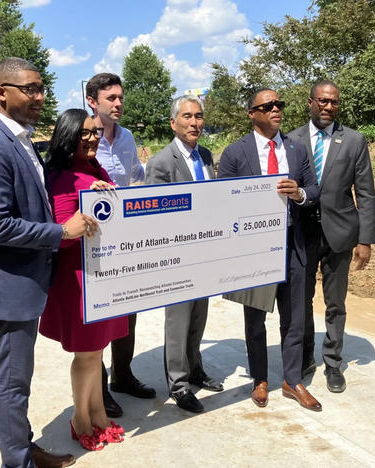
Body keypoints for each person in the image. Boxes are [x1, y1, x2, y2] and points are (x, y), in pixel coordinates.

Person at [0, 57, 97, 468]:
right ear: (2, 92)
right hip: (7, 284)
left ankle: (24, 448)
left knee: (20, 378)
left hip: (23, 278)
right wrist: (61, 233)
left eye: (41, 89)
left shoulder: (20, 140)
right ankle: (17, 462)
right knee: (13, 382)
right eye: (29, 89)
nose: (39, 97)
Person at [217, 88, 322, 412]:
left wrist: (300, 193)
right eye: (268, 106)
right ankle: (260, 379)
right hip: (255, 249)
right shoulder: (235, 153)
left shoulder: (296, 149)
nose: (276, 109)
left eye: (279, 104)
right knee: (255, 318)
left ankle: (292, 380)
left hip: (292, 245)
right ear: (252, 113)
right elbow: (222, 199)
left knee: (294, 317)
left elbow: (315, 189)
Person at [39, 108, 128, 451]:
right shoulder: (61, 177)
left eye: (95, 131)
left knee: (97, 351)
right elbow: (61, 233)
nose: (92, 138)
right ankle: (80, 419)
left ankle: (98, 415)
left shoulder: (97, 169)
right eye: (85, 133)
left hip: (103, 271)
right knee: (87, 354)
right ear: (68, 136)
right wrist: (90, 202)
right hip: (78, 278)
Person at [287, 80, 375, 393]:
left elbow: (365, 192)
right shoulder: (291, 140)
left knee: (335, 303)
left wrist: (365, 239)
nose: (328, 107)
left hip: (341, 233)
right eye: (323, 101)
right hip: (303, 234)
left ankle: (334, 363)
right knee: (301, 299)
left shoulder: (353, 141)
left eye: (334, 103)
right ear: (310, 102)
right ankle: (306, 356)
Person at [144, 95, 224, 413]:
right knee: (177, 321)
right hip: (176, 255)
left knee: (199, 317)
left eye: (199, 116)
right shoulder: (161, 163)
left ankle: (196, 369)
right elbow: (154, 214)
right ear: (173, 123)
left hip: (203, 250)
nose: (194, 123)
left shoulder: (205, 156)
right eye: (187, 117)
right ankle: (178, 384)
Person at [85, 73, 155, 418]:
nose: (118, 103)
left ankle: (123, 376)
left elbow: (136, 177)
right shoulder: (83, 137)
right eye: (111, 97)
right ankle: (98, 387)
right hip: (94, 240)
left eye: (120, 97)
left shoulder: (127, 138)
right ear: (92, 102)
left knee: (129, 310)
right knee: (100, 315)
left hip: (127, 239)